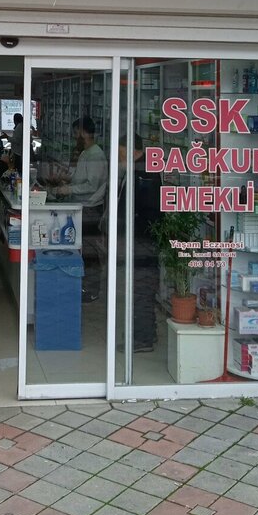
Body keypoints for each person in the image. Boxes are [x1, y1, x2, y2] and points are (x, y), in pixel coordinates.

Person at [55, 115, 107, 302]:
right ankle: (82, 285)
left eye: (76, 132)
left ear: (84, 132)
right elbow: (81, 178)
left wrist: (68, 189)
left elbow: (92, 185)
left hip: (90, 208)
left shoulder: (96, 155)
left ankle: (92, 289)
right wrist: (67, 180)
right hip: (80, 206)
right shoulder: (86, 152)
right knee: (82, 249)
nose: (74, 136)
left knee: (90, 251)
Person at [117, 134, 161, 352]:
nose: (119, 158)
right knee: (138, 288)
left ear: (132, 150)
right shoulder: (136, 169)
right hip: (136, 240)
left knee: (141, 289)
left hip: (142, 241)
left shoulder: (146, 174)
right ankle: (146, 331)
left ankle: (143, 339)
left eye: (121, 153)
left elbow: (148, 212)